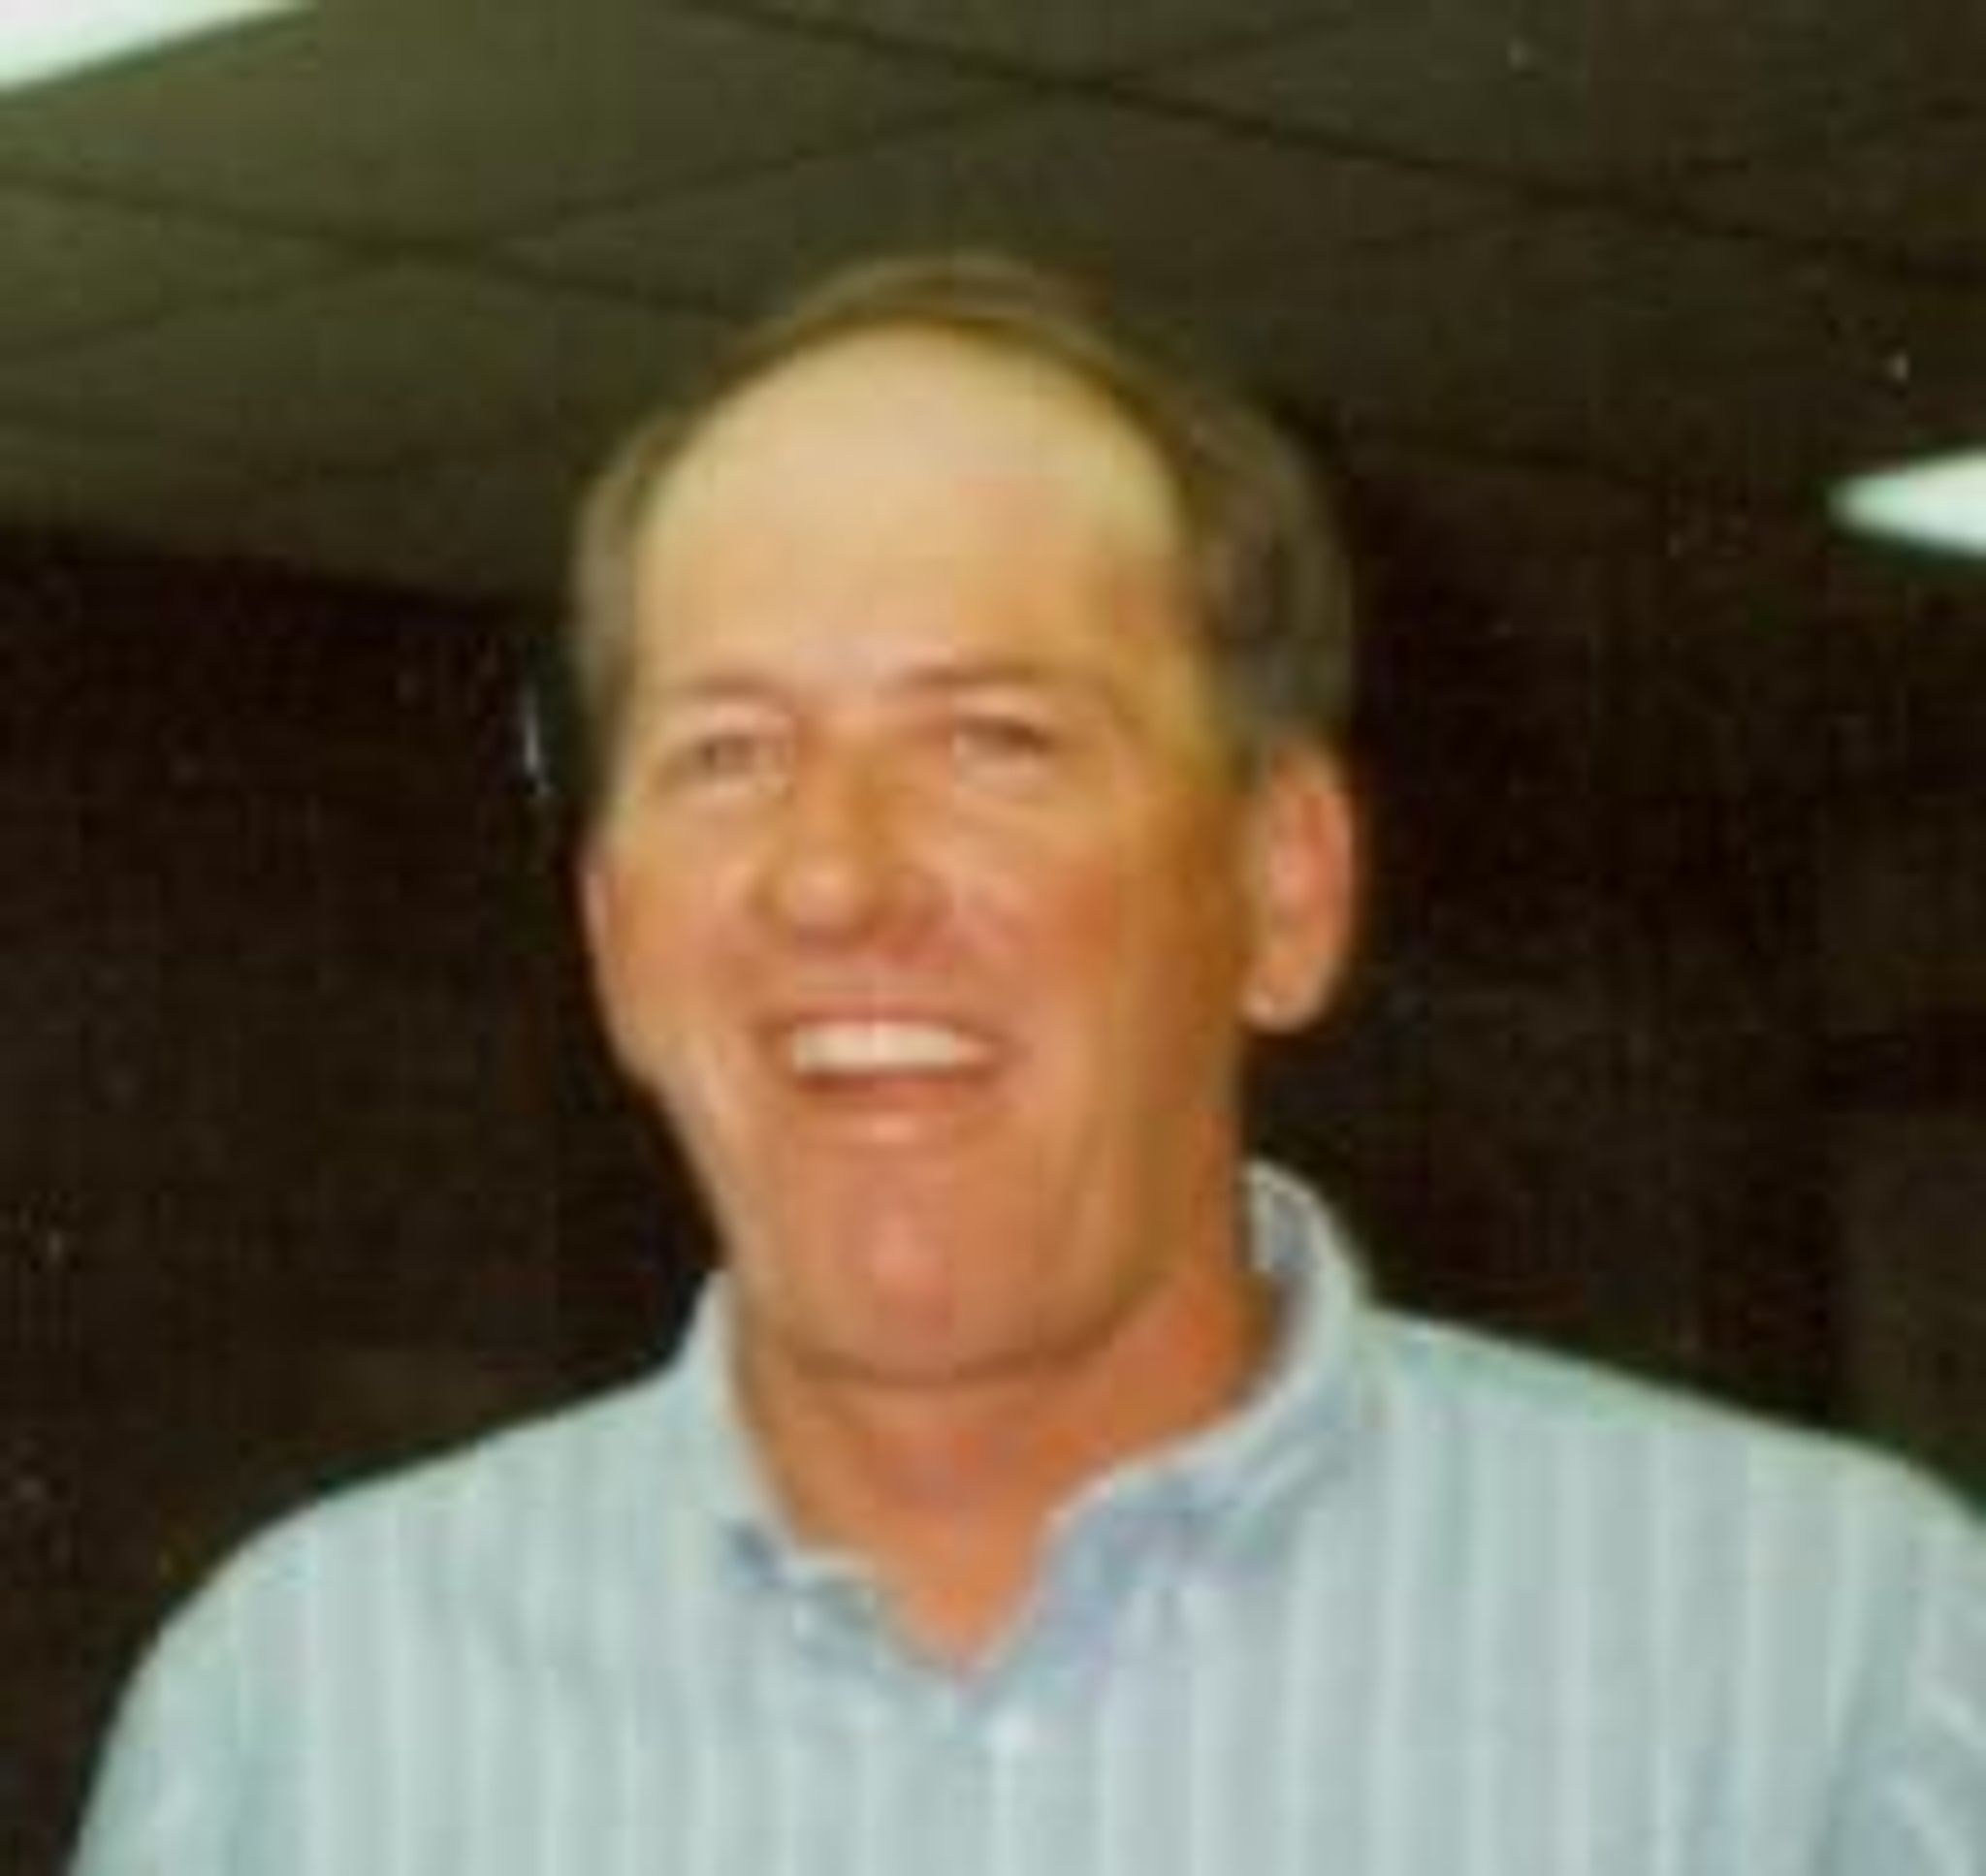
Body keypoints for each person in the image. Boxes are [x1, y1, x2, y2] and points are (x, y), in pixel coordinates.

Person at [74, 252, 1983, 1874]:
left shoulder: (1817, 1663)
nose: (833, 874)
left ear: (1282, 885)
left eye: (992, 739)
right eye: (727, 753)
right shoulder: (305, 1719)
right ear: (612, 935)